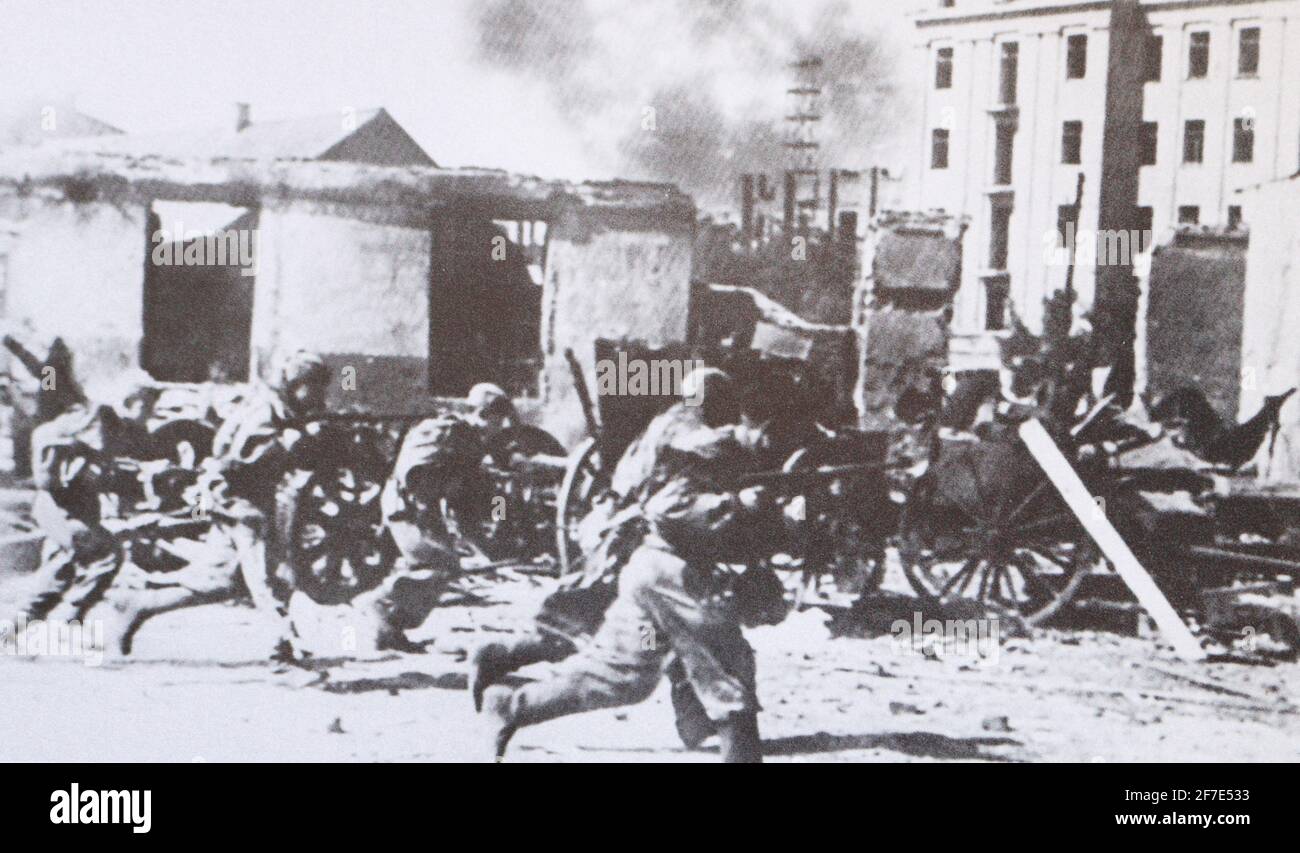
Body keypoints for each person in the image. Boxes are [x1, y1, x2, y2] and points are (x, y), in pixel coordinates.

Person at [477, 367, 776, 762]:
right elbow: (674, 502)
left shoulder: (669, 428)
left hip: (645, 564)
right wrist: (739, 493)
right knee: (724, 657)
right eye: (722, 402)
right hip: (664, 564)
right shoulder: (689, 434)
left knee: (623, 675)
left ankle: (513, 705)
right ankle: (731, 743)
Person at [200, 349, 331, 661]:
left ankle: (137, 606)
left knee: (217, 582)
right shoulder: (264, 411)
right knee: (266, 580)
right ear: (294, 382)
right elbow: (241, 458)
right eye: (311, 386)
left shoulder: (284, 409)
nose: (317, 394)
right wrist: (291, 441)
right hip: (240, 501)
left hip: (252, 499)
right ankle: (284, 645)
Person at [10, 376, 160, 628]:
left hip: (69, 507)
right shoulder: (101, 418)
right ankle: (71, 616)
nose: (151, 413)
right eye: (148, 405)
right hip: (62, 509)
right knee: (106, 554)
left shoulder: (104, 420)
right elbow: (87, 465)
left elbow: (99, 464)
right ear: (132, 401)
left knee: (59, 573)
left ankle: (13, 631)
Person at [354, 412, 493, 652]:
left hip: (411, 505)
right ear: (483, 414)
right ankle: (377, 602)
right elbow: (423, 476)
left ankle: (388, 630)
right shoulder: (456, 435)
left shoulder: (452, 435)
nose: (499, 427)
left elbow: (457, 498)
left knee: (440, 569)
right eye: (497, 420)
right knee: (438, 565)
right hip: (406, 508)